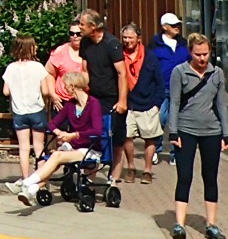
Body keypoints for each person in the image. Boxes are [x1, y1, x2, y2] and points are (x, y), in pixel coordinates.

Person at [167, 33, 228, 239]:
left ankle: (211, 224)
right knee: (185, 176)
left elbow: (221, 104)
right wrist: (173, 131)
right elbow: (174, 102)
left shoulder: (217, 73)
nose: (202, 59)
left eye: (205, 54)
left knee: (210, 176)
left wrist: (226, 133)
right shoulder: (180, 72)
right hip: (186, 129)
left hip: (211, 131)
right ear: (190, 53)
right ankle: (179, 224)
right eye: (198, 54)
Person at [3, 70, 104, 204]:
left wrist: (73, 135)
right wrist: (59, 132)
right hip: (74, 147)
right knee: (55, 158)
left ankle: (25, 183)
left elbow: (97, 131)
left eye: (66, 85)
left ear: (72, 86)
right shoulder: (70, 105)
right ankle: (32, 189)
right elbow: (51, 124)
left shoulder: (93, 103)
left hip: (89, 148)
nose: (64, 88)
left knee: (56, 156)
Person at [77, 9, 130, 184]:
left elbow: (122, 73)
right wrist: (82, 95)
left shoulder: (111, 43)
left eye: (82, 25)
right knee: (92, 139)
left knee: (116, 141)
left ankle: (113, 180)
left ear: (93, 26)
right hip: (94, 98)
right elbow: (84, 70)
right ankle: (89, 179)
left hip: (112, 99)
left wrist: (122, 101)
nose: (79, 28)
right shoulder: (85, 43)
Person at [1, 36, 50, 180]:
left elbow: (5, 91)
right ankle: (40, 179)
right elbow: (46, 91)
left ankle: (26, 178)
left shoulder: (11, 68)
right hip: (36, 109)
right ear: (31, 48)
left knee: (24, 148)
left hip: (19, 111)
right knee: (39, 147)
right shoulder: (38, 67)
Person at [122, 23, 165, 183]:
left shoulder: (149, 56)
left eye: (130, 37)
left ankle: (147, 170)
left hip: (148, 104)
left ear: (138, 38)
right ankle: (131, 167)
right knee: (127, 136)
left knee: (150, 138)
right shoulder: (119, 55)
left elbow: (159, 81)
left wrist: (156, 104)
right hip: (128, 105)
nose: (127, 41)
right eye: (125, 37)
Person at [149, 12, 191, 160]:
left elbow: (190, 62)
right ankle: (156, 147)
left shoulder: (183, 44)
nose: (176, 28)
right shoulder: (155, 44)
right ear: (164, 27)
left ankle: (175, 153)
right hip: (162, 87)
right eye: (173, 25)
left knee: (177, 121)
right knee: (160, 118)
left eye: (178, 25)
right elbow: (150, 65)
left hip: (181, 88)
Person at [45, 22, 85, 107]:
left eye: (78, 34)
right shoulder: (61, 51)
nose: (74, 36)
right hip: (63, 101)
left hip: (83, 100)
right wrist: (53, 94)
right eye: (71, 33)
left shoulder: (90, 51)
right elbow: (49, 73)